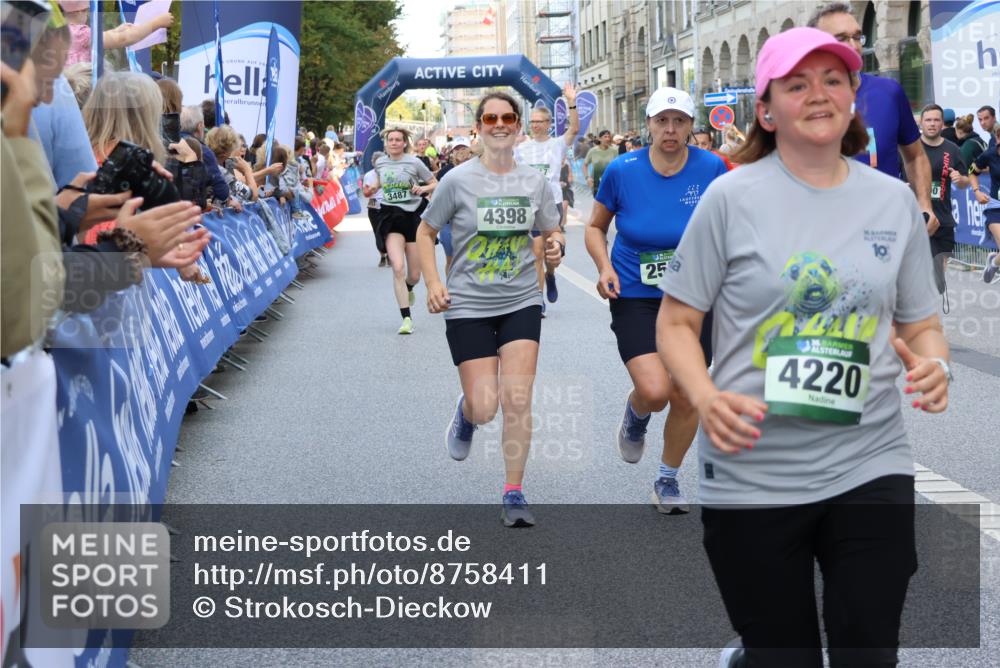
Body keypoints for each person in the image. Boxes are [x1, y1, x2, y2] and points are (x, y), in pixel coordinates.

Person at [656, 27, 950, 668]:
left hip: (870, 459)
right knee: (782, 654)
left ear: (853, 100)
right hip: (752, 472)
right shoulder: (730, 198)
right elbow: (677, 322)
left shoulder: (892, 201)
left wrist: (936, 363)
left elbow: (921, 323)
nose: (819, 93)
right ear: (766, 109)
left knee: (868, 651)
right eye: (798, 83)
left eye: (834, 80)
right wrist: (704, 397)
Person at [416, 91, 565, 528]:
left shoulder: (534, 182)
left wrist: (555, 250)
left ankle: (514, 492)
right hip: (467, 304)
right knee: (486, 406)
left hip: (521, 299)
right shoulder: (457, 181)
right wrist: (433, 283)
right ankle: (467, 414)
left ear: (518, 126)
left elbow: (552, 232)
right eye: (490, 118)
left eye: (507, 117)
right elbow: (425, 234)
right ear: (478, 128)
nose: (499, 124)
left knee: (517, 397)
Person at [584, 87, 727, 513]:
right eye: (662, 121)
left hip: (697, 297)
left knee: (686, 393)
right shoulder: (622, 170)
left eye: (679, 121)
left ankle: (667, 479)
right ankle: (637, 412)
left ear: (690, 126)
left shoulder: (713, 168)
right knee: (656, 389)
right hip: (635, 293)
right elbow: (595, 228)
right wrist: (603, 267)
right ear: (648, 124)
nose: (670, 129)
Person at [810, 3, 937, 233]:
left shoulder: (889, 92)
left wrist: (924, 204)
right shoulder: (801, 103)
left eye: (857, 37)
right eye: (841, 38)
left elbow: (916, 156)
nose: (853, 46)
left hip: (888, 231)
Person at [367, 127, 437, 334]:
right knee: (398, 267)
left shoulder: (414, 162)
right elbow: (380, 181)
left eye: (398, 140)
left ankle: (409, 287)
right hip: (390, 217)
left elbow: (435, 182)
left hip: (413, 217)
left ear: (405, 143)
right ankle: (406, 318)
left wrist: (422, 189)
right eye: (391, 140)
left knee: (414, 274)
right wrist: (373, 188)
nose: (394, 143)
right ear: (386, 143)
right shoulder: (380, 163)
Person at [515, 83, 579, 308]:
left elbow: (574, 130)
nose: (535, 126)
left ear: (549, 124)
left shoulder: (557, 144)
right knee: (537, 252)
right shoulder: (521, 148)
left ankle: (550, 275)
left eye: (539, 122)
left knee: (552, 250)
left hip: (551, 203)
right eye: (532, 122)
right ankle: (537, 299)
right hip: (530, 205)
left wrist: (571, 101)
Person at [917, 104, 973, 293]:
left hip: (943, 218)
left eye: (936, 120)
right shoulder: (910, 148)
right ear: (921, 122)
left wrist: (960, 179)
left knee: (937, 278)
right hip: (915, 218)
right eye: (928, 120)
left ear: (942, 124)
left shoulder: (953, 150)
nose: (932, 124)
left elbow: (965, 181)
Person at [59, 0, 173, 67]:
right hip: (82, 93)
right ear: (80, 11)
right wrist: (157, 23)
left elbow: (102, 36)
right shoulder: (82, 34)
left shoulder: (62, 31)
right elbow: (123, 39)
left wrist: (117, 30)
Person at [435, 137, 473, 275]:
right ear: (452, 152)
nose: (460, 152)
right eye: (457, 149)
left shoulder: (479, 169)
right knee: (451, 260)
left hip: (471, 220)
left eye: (463, 149)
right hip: (449, 222)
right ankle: (451, 291)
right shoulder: (444, 172)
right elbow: (435, 196)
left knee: (472, 259)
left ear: (470, 151)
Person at [974, 124, 1000, 283]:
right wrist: (976, 191)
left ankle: (994, 263)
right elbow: (972, 171)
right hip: (995, 208)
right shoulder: (989, 155)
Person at [362, 150, 388, 267]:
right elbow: (366, 194)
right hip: (373, 206)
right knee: (377, 232)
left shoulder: (389, 174)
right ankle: (383, 256)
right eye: (376, 163)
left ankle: (390, 255)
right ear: (373, 163)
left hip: (387, 205)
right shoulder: (369, 175)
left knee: (387, 231)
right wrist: (373, 189)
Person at [584, 130, 618, 196]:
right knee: (599, 203)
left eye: (609, 137)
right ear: (600, 139)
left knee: (610, 204)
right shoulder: (593, 151)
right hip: (596, 182)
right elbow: (585, 165)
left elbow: (617, 166)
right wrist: (587, 178)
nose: (608, 139)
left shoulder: (614, 151)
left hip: (610, 181)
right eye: (605, 137)